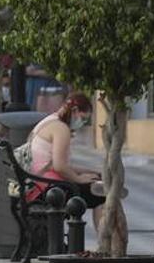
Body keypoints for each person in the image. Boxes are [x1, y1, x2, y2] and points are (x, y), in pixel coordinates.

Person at [24, 93, 106, 227]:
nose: (82, 123)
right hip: (47, 188)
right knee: (101, 195)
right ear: (74, 111)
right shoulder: (61, 129)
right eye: (83, 119)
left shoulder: (49, 121)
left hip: (37, 183)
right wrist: (79, 178)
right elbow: (59, 166)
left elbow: (57, 164)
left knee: (96, 179)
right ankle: (103, 242)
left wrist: (89, 172)